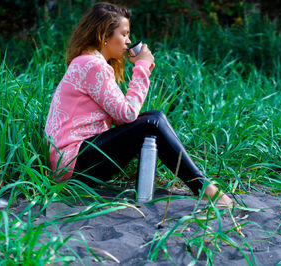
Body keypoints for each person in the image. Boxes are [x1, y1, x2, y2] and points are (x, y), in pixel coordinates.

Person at [45, 2, 233, 206]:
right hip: (72, 164)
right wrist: (142, 67)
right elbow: (127, 115)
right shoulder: (91, 65)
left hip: (74, 162)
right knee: (152, 122)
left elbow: (119, 119)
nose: (128, 41)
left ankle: (200, 186)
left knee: (154, 119)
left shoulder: (89, 62)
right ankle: (203, 187)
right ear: (105, 36)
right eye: (123, 34)